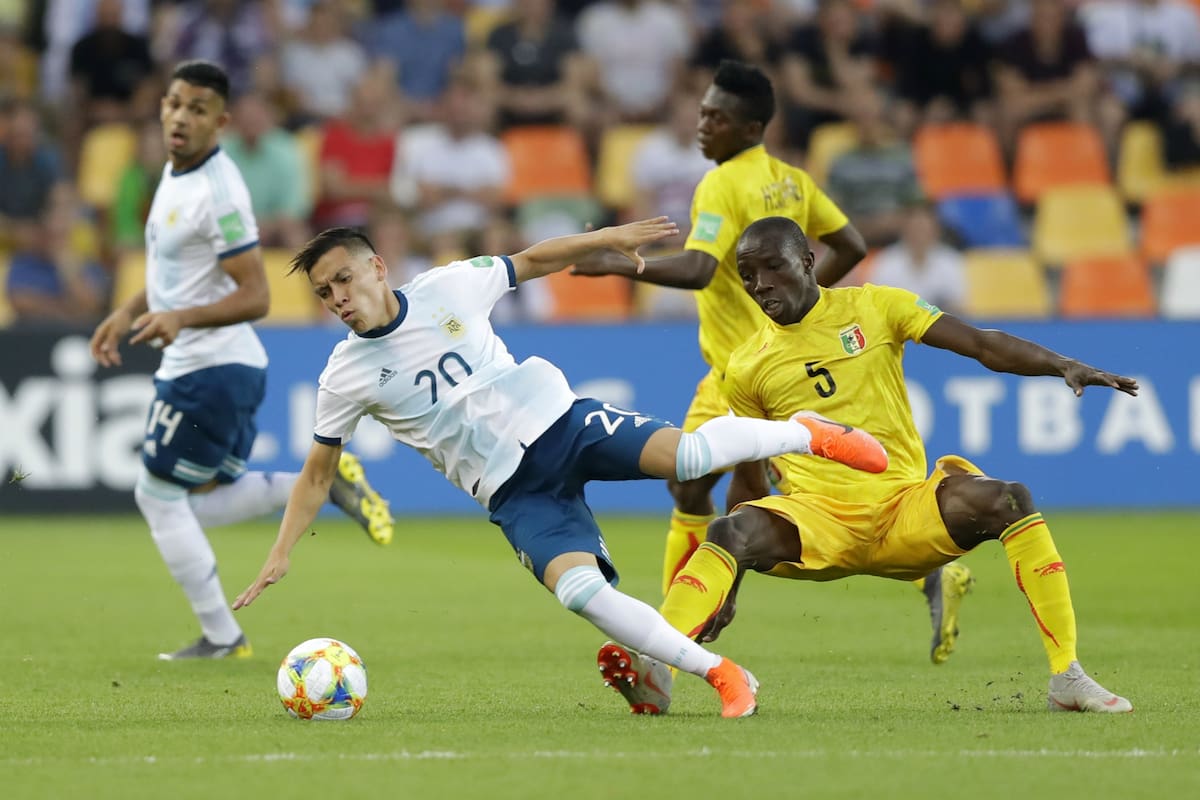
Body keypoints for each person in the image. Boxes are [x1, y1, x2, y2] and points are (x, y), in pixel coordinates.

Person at [231, 219, 890, 718]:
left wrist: (609, 236)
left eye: (343, 279)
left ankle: (805, 434)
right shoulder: (343, 377)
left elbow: (534, 259)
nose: (337, 298)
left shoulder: (447, 287)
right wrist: (280, 553)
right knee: (581, 596)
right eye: (324, 293)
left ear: (377, 267)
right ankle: (722, 674)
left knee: (688, 456)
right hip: (512, 493)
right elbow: (318, 473)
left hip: (559, 423)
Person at [609, 215, 1135, 715]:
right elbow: (748, 477)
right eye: (748, 276)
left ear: (809, 262)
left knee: (1009, 498)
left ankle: (1067, 677)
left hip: (904, 509)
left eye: (773, 267)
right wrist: (731, 588)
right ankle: (659, 671)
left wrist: (1061, 364)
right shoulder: (746, 365)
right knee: (726, 530)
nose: (761, 284)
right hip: (815, 521)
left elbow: (980, 344)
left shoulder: (878, 307)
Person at [574, 60, 970, 663]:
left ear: (748, 125)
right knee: (738, 491)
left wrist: (621, 263)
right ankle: (929, 571)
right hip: (781, 363)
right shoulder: (792, 181)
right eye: (702, 113)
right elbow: (851, 246)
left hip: (747, 370)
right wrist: (806, 319)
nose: (702, 125)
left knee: (690, 481)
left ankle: (672, 635)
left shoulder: (721, 184)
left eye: (715, 116)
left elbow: (703, 268)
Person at [88, 61, 395, 662]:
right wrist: (128, 311)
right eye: (174, 103)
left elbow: (255, 294)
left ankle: (224, 637)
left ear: (221, 121)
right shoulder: (175, 176)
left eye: (197, 108)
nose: (180, 116)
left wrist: (179, 320)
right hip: (212, 368)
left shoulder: (218, 192)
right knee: (198, 501)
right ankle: (321, 486)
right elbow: (177, 276)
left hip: (211, 370)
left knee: (158, 497)